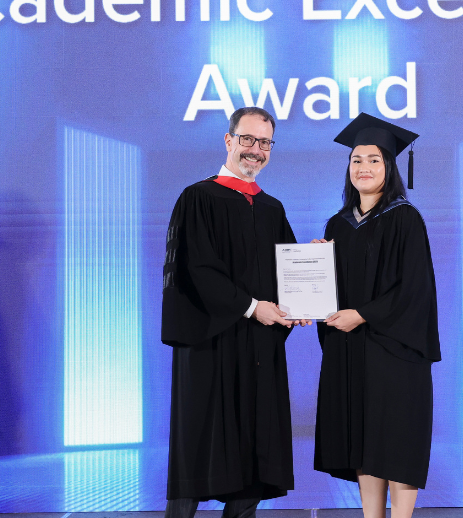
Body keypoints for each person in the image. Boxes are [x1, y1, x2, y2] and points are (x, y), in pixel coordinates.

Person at [161, 106, 303, 518]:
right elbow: (197, 269)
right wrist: (253, 307)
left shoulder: (271, 208)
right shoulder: (197, 198)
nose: (255, 150)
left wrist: (301, 297)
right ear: (228, 140)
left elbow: (286, 274)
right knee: (197, 455)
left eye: (264, 142)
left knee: (251, 458)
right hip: (210, 347)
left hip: (257, 350)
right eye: (247, 139)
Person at [313, 113, 441, 518]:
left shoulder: (405, 218)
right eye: (356, 160)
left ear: (389, 167)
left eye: (373, 160)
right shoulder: (338, 224)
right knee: (365, 440)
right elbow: (328, 294)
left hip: (395, 352)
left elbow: (413, 288)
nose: (364, 168)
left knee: (396, 440)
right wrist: (319, 265)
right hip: (353, 352)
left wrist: (362, 315)